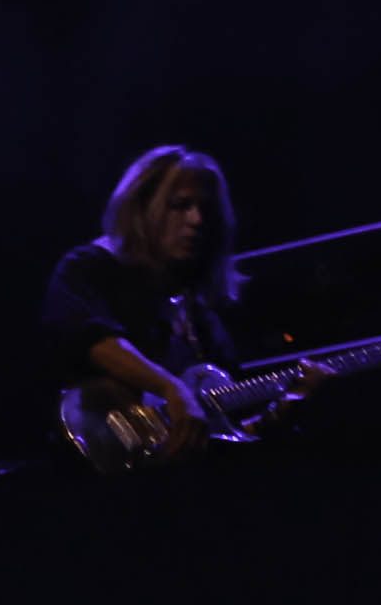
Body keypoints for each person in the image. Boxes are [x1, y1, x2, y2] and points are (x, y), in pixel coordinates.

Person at [41, 146, 282, 460]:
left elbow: (222, 427)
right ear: (141, 207)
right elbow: (90, 338)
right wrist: (171, 388)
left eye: (206, 210)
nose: (197, 220)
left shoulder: (199, 310)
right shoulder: (87, 268)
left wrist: (277, 413)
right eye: (180, 206)